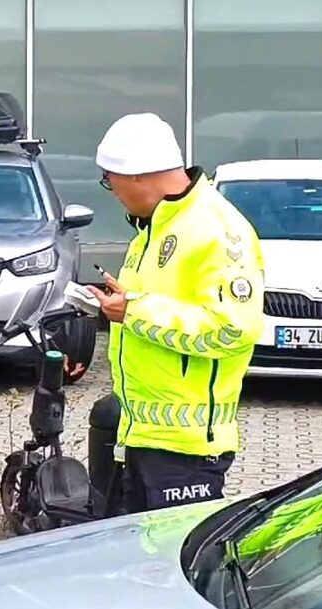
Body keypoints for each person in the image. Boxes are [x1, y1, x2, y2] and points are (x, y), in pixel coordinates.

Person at [86, 113, 265, 514]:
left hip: (186, 448)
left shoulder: (217, 231)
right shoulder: (155, 229)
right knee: (139, 565)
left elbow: (232, 329)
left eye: (109, 181)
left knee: (167, 568)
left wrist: (134, 311)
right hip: (142, 437)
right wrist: (123, 304)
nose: (112, 192)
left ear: (134, 175)